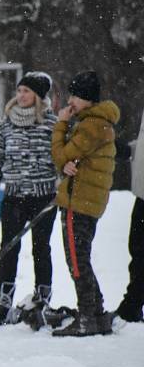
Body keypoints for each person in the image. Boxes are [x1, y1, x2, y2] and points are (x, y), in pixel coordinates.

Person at [0, 72, 59, 323]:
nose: (21, 96)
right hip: (14, 196)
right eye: (19, 91)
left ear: (38, 96)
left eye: (26, 91)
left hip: (44, 198)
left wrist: (60, 188)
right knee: (9, 247)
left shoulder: (52, 123)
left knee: (41, 248)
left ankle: (43, 298)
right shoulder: (6, 124)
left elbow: (61, 158)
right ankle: (4, 298)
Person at [50, 71, 119, 337]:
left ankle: (87, 318)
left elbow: (60, 154)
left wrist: (61, 125)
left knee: (77, 261)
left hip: (79, 202)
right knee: (82, 258)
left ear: (87, 99)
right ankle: (97, 313)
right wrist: (69, 162)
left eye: (75, 96)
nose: (71, 102)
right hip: (89, 201)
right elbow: (71, 158)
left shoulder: (91, 125)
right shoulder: (99, 122)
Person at [116, 109, 144, 322]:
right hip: (141, 192)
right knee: (137, 250)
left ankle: (131, 306)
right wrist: (129, 150)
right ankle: (133, 306)